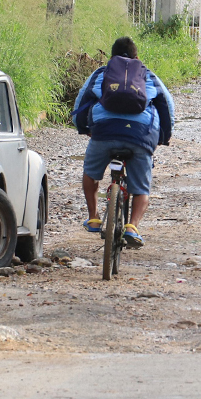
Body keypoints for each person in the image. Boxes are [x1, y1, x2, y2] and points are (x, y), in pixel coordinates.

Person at [72, 36, 175, 249]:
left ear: (112, 57)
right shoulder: (148, 75)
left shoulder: (101, 73)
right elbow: (167, 106)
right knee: (141, 188)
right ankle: (132, 227)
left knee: (91, 173)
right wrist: (163, 137)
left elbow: (82, 101)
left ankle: (93, 218)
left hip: (104, 131)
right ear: (137, 57)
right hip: (141, 135)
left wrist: (83, 128)